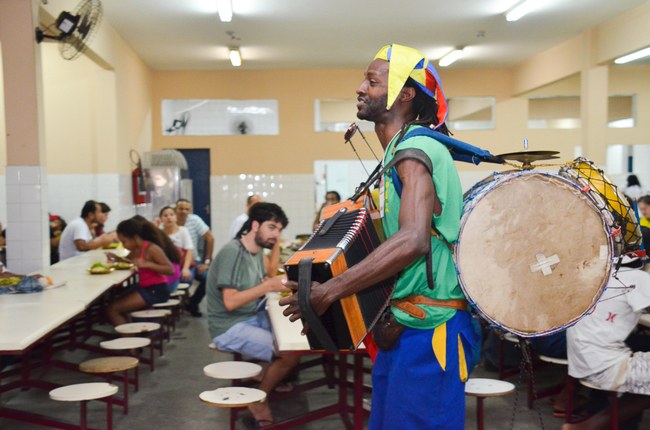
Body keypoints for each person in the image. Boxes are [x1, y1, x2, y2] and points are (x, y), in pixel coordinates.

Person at [281, 44, 479, 429]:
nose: (360, 87)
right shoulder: (397, 158)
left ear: (404, 94)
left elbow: (413, 241)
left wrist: (331, 290)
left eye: (372, 81)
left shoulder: (416, 148)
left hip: (429, 329)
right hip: (403, 326)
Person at [207, 202, 299, 427]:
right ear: (255, 225)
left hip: (247, 315)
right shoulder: (233, 253)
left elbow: (269, 273)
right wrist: (268, 287)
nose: (276, 234)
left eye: (279, 230)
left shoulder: (254, 250)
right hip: (228, 327)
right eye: (272, 228)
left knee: (294, 332)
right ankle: (259, 398)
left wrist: (275, 243)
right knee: (290, 352)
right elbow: (230, 302)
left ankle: (265, 374)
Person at [563, 255, 650, 430]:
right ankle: (587, 426)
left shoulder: (599, 272)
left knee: (640, 343)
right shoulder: (638, 278)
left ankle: (599, 414)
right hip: (604, 366)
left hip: (580, 360)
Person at [106, 218, 175, 326]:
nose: (123, 245)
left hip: (157, 290)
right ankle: (132, 334)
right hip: (145, 287)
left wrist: (147, 264)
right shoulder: (135, 249)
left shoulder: (151, 248)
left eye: (124, 241)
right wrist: (116, 258)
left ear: (134, 238)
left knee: (113, 310)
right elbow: (129, 261)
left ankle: (129, 340)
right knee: (116, 302)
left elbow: (170, 270)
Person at [175, 199, 214, 317]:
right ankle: (181, 303)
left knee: (208, 279)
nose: (184, 212)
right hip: (175, 263)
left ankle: (192, 303)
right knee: (186, 280)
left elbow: (210, 238)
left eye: (187, 209)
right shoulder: (170, 221)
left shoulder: (194, 220)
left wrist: (206, 262)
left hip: (193, 260)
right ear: (175, 210)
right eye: (181, 209)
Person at [159, 206, 194, 292]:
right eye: (165, 215)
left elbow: (189, 250)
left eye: (171, 215)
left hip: (183, 265)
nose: (169, 218)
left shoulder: (183, 230)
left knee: (186, 279)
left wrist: (185, 269)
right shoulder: (159, 232)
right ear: (161, 219)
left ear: (176, 217)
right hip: (168, 267)